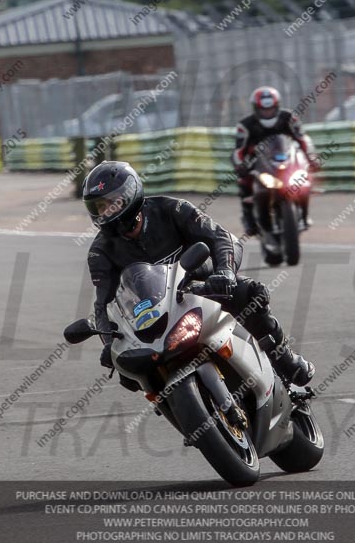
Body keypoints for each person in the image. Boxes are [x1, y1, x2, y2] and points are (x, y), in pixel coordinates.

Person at [82, 160, 314, 390]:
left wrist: (225, 272)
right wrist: (109, 343)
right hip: (150, 316)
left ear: (130, 194)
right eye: (99, 207)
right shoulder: (100, 252)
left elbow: (221, 237)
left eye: (111, 203)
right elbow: (104, 303)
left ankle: (284, 359)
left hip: (200, 289)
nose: (106, 211)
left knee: (252, 294)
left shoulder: (171, 208)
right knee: (129, 371)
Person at [232, 86, 318, 236]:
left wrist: (312, 158)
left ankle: (304, 215)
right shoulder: (245, 125)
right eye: (264, 110)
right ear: (256, 108)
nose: (267, 113)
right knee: (244, 181)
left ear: (277, 106)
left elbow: (303, 139)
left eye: (270, 109)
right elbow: (238, 150)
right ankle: (249, 219)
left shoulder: (290, 118)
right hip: (258, 163)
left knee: (305, 180)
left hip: (286, 159)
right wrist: (240, 166)